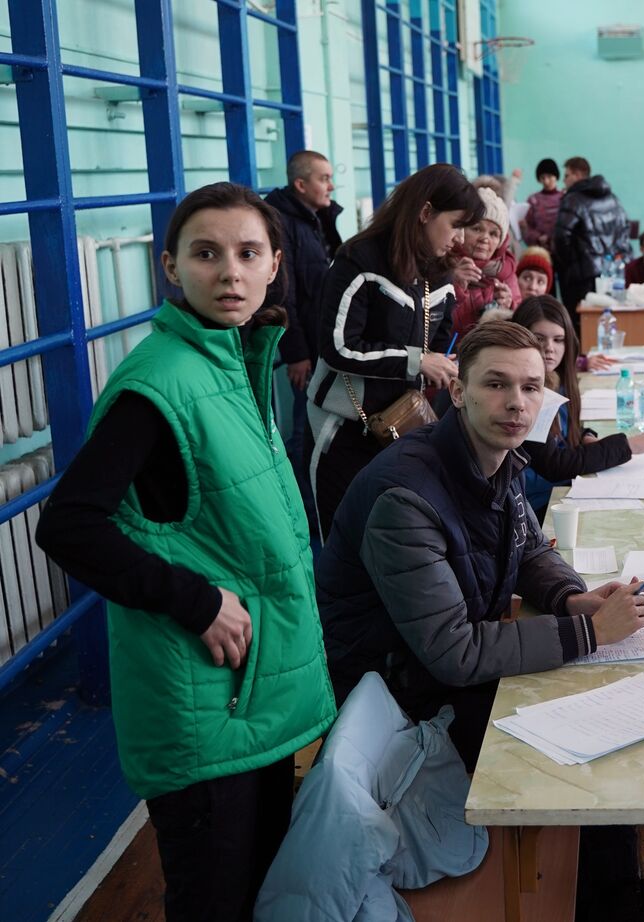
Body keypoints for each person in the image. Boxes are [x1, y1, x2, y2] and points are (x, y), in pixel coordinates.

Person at [36, 183, 336, 922]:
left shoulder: (232, 365)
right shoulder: (158, 383)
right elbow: (69, 524)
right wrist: (194, 600)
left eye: (247, 253)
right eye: (206, 254)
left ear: (274, 269)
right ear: (171, 268)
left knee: (256, 887)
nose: (229, 272)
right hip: (203, 706)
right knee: (214, 901)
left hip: (246, 696)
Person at [315, 320, 644, 920]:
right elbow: (453, 653)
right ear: (458, 391)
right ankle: (610, 904)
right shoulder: (406, 497)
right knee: (598, 744)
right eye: (497, 385)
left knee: (604, 717)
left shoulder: (496, 456)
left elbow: (528, 549)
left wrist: (569, 598)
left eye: (531, 388)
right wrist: (587, 633)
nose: (516, 403)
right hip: (399, 703)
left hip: (441, 672)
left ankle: (611, 894)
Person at [305, 162, 475, 537]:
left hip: (403, 426)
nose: (459, 238)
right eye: (455, 224)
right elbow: (337, 348)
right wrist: (416, 362)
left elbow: (439, 343)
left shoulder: (440, 271)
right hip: (344, 428)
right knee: (342, 537)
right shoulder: (358, 260)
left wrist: (450, 365)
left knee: (393, 536)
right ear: (425, 212)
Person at [513, 296, 644, 518]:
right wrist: (629, 446)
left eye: (558, 339)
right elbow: (555, 465)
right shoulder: (523, 394)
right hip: (534, 507)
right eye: (539, 338)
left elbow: (562, 428)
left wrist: (585, 437)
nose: (549, 348)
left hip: (557, 493)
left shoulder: (557, 379)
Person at [264, 150, 344, 539]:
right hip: (304, 351)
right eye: (324, 178)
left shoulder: (314, 218)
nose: (331, 186)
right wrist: (296, 353)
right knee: (302, 437)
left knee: (313, 433)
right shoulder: (282, 222)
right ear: (300, 184)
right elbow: (284, 293)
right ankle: (303, 522)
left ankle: (313, 515)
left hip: (319, 345)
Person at [552, 156, 631, 328]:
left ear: (578, 174)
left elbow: (560, 237)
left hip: (581, 278)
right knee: (611, 324)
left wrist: (571, 262)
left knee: (581, 327)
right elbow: (625, 229)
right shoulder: (612, 198)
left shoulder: (573, 199)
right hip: (613, 275)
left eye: (566, 176)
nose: (564, 181)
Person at [450, 186, 519, 334]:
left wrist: (509, 306)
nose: (485, 239)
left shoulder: (506, 270)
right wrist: (455, 285)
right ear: (461, 231)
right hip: (449, 354)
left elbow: (522, 326)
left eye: (494, 234)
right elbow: (429, 328)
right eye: (476, 229)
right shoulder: (442, 263)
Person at [523, 158, 563, 251]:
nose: (546, 181)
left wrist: (551, 238)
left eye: (549, 176)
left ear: (556, 176)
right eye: (542, 178)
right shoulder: (533, 200)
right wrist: (538, 238)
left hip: (561, 251)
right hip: (539, 250)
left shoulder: (564, 198)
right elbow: (527, 227)